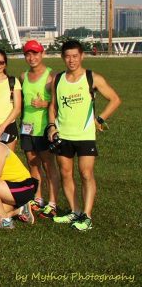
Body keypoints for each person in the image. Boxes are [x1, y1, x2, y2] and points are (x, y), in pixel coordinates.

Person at [47, 39, 121, 231]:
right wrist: (52, 126)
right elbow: (53, 106)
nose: (71, 60)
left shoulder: (92, 78)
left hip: (85, 135)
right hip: (63, 135)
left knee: (86, 174)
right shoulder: (58, 79)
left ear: (82, 56)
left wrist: (100, 119)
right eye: (68, 56)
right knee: (65, 173)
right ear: (62, 57)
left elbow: (114, 99)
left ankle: (87, 217)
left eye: (75, 56)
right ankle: (75, 211)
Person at [19, 40, 59, 218]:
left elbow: (59, 103)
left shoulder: (52, 76)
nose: (32, 57)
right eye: (28, 54)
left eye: (35, 53)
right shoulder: (23, 76)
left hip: (44, 128)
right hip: (27, 127)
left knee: (48, 164)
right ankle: (38, 198)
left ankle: (52, 202)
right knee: (32, 163)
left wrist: (45, 104)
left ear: (42, 54)